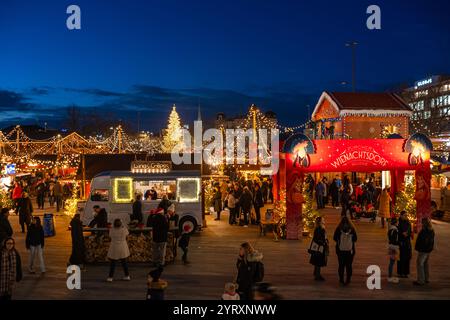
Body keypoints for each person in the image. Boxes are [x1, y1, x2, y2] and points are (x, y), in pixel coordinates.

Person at [333, 216, 357, 286]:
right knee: (349, 265)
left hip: (340, 250)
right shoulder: (352, 229)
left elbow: (334, 238)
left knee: (341, 265)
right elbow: (355, 239)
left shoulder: (338, 229)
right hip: (350, 250)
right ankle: (348, 279)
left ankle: (341, 279)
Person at [413, 218, 435, 286]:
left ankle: (420, 280)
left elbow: (423, 241)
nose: (421, 223)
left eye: (422, 222)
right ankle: (426, 278)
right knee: (425, 263)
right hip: (428, 250)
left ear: (424, 223)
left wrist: (419, 247)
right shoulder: (431, 230)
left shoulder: (425, 231)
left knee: (420, 264)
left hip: (423, 250)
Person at [309, 216, 328, 281]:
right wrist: (323, 242)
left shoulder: (318, 228)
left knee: (317, 261)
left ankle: (316, 273)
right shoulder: (320, 229)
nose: (324, 220)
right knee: (318, 262)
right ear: (320, 222)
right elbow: (318, 238)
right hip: (319, 248)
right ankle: (317, 275)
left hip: (317, 247)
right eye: (323, 220)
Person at [397, 211, 412, 278]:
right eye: (404, 215)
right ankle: (400, 272)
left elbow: (409, 230)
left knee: (407, 258)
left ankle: (406, 272)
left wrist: (407, 233)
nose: (406, 217)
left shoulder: (408, 222)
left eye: (406, 215)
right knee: (401, 258)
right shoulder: (398, 222)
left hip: (407, 242)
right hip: (401, 242)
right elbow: (398, 231)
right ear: (401, 215)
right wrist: (402, 233)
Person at [387, 218, 399, 283]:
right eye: (397, 222)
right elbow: (395, 240)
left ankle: (390, 275)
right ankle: (390, 276)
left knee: (391, 261)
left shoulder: (390, 229)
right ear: (395, 223)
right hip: (394, 247)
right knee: (392, 262)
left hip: (391, 246)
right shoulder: (395, 230)